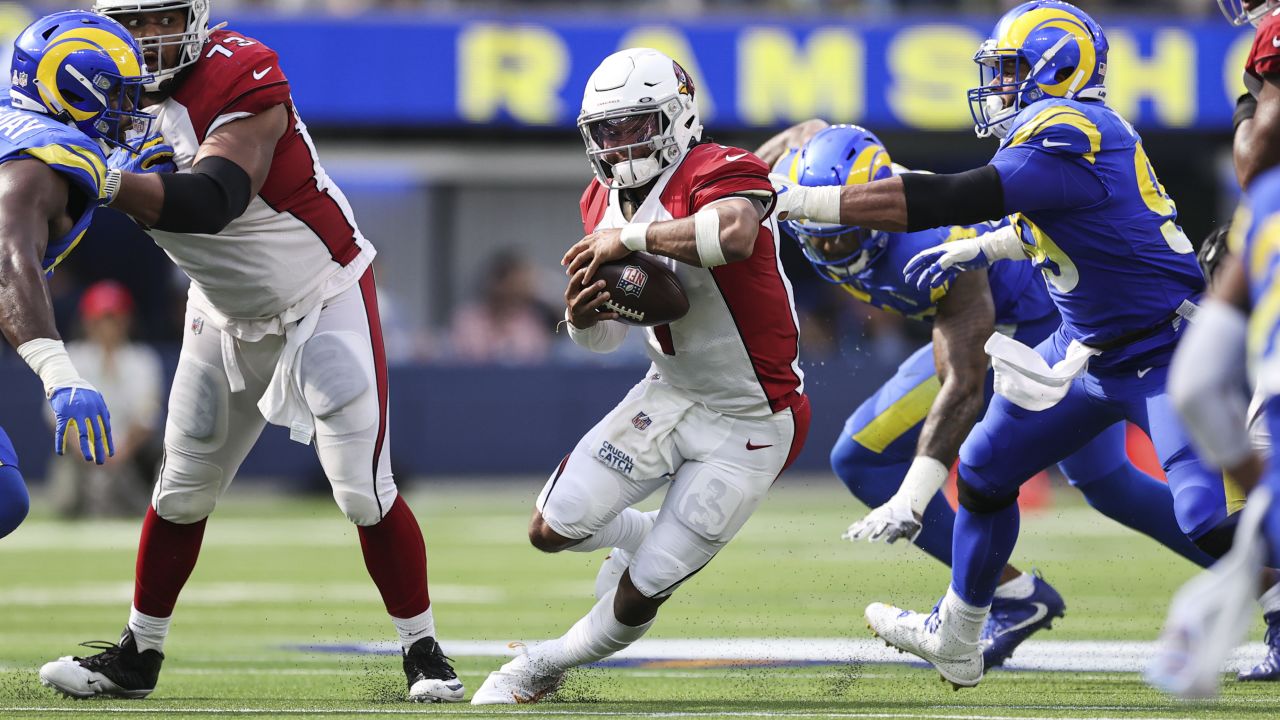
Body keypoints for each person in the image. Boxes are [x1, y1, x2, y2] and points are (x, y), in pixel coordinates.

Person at [774, 1, 1235, 689]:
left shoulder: (1069, 127)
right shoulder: (1048, 132)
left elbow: (954, 197)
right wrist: (987, 245)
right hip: (1085, 349)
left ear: (1058, 67)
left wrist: (805, 204)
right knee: (989, 469)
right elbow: (1055, 223)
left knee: (1203, 511)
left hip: (1159, 348)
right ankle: (958, 634)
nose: (997, 85)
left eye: (1011, 70)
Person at [38, 0, 462, 703]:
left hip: (321, 293)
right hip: (219, 309)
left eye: (162, 19)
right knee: (180, 487)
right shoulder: (87, 90)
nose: (148, 38)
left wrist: (103, 179)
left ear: (196, 17)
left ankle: (424, 652)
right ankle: (139, 655)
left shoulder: (241, 69)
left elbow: (212, 200)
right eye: (134, 24)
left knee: (362, 489)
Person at [470, 47, 808, 704]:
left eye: (637, 126)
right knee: (551, 529)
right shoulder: (599, 199)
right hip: (670, 392)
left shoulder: (720, 168)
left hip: (752, 416)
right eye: (608, 130)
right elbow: (604, 338)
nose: (621, 144)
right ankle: (651, 527)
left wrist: (632, 240)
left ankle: (539, 666)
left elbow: (734, 235)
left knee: (639, 589)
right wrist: (578, 317)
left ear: (678, 119)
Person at [0, 11, 158, 539]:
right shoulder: (36, 165)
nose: (128, 112)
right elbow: (6, 255)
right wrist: (58, 371)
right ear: (73, 91)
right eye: (116, 95)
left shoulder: (21, 132)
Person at [47, 280, 163, 518]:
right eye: (101, 320)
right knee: (66, 504)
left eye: (114, 319)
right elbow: (55, 415)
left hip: (129, 455)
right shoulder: (72, 357)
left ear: (126, 321)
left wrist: (120, 453)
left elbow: (147, 416)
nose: (108, 327)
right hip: (81, 453)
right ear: (88, 322)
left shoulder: (143, 360)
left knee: (138, 506)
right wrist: (85, 450)